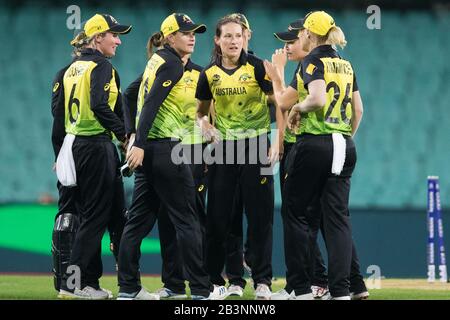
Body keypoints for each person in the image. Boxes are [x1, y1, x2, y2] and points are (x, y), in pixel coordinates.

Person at [117, 13, 227, 300]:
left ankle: (128, 288)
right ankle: (202, 291)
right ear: (169, 37)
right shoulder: (171, 65)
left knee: (137, 222)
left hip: (153, 152)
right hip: (168, 149)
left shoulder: (156, 61)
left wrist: (137, 141)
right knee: (188, 221)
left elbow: (135, 97)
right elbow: (150, 103)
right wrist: (135, 140)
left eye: (194, 32)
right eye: (185, 32)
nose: (192, 37)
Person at [265, 11, 364, 300]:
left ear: (309, 33)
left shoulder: (312, 60)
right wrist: (343, 139)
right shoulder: (345, 64)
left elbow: (313, 99)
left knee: (296, 215)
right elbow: (358, 110)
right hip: (344, 144)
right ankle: (342, 291)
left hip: (314, 143)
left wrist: (298, 107)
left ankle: (303, 289)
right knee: (337, 220)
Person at [196, 15, 281, 300]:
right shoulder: (208, 74)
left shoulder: (258, 68)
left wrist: (277, 139)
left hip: (257, 146)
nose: (234, 41)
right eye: (228, 36)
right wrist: (205, 125)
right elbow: (200, 111)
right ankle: (231, 280)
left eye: (238, 35)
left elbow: (278, 103)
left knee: (261, 217)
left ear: (246, 38)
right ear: (218, 40)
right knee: (222, 217)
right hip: (224, 150)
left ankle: (263, 281)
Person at [55, 14, 131, 300]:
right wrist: (125, 135)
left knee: (106, 214)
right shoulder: (102, 66)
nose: (118, 40)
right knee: (96, 217)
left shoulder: (72, 68)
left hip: (78, 145)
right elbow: (101, 106)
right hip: (96, 146)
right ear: (98, 37)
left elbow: (58, 115)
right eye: (114, 34)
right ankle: (72, 284)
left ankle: (91, 283)